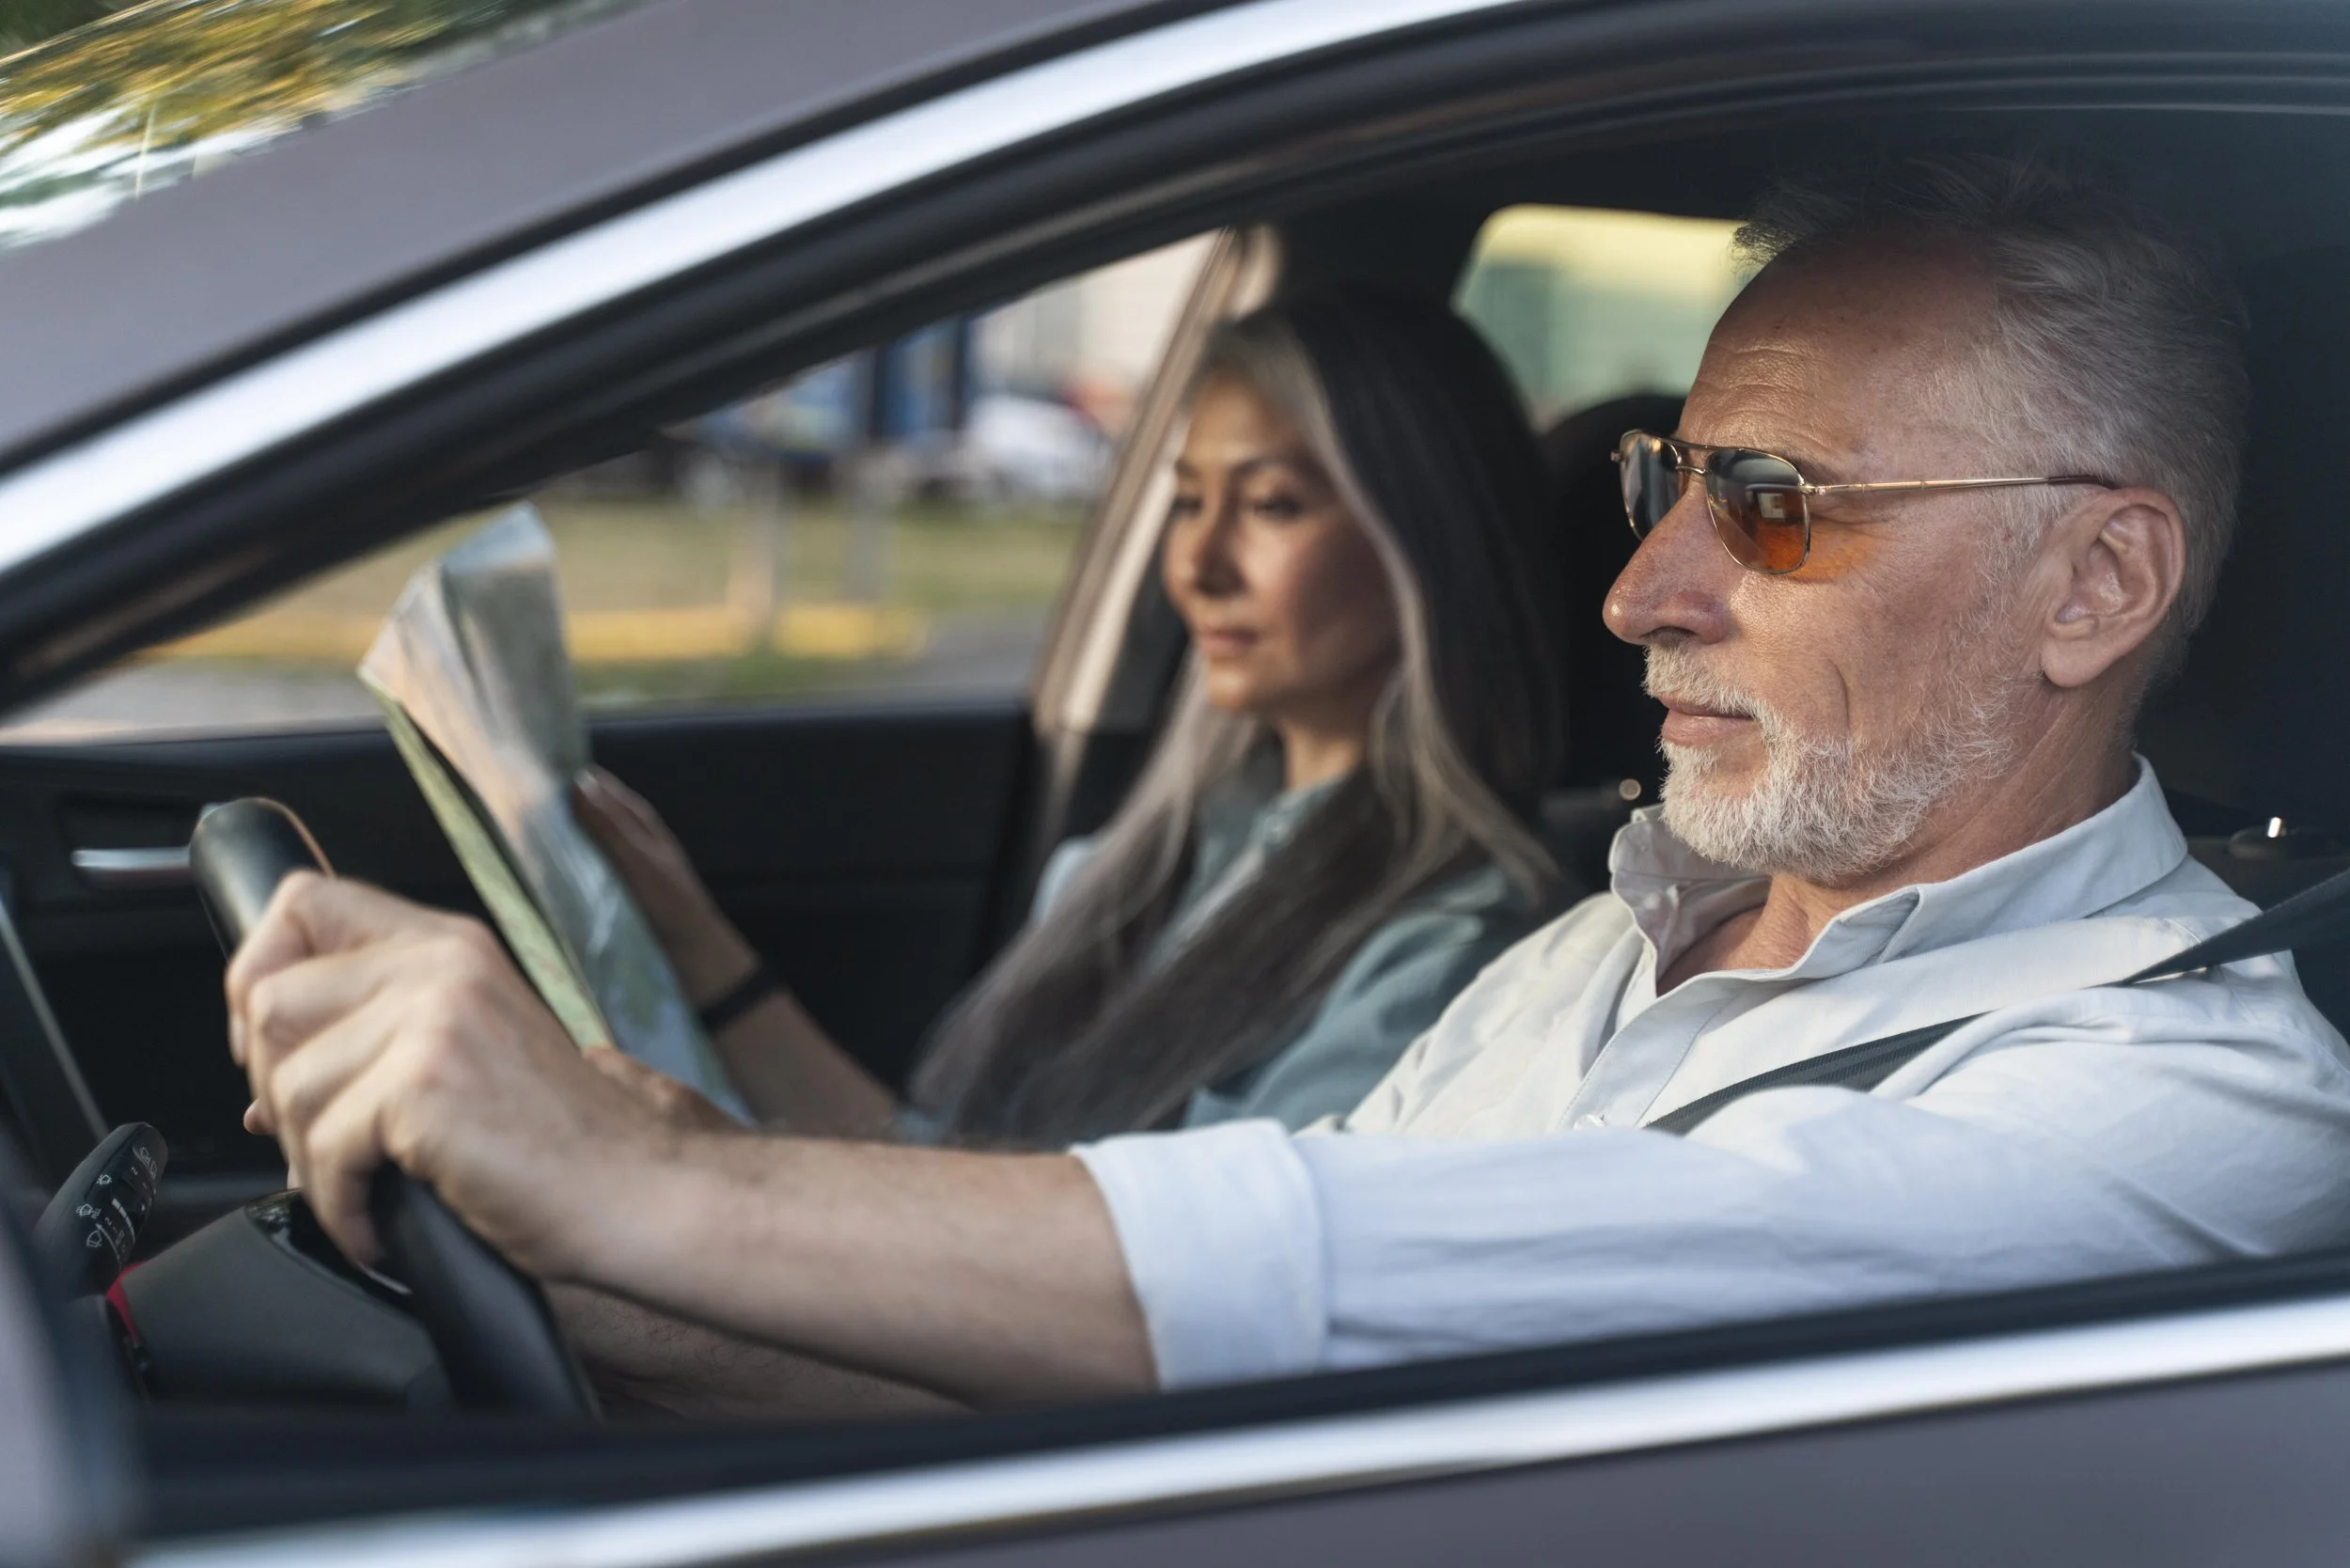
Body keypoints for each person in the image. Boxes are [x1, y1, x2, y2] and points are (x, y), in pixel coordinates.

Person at [226, 149, 2350, 1411]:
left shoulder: (2196, 1109)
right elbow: (1124, 1371)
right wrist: (582, 1282)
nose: (1636, 591)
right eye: (1664, 483)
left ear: (2096, 582)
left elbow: (1389, 1264)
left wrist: (655, 1180)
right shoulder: (1579, 957)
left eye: (1772, 504)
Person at [574, 288, 1565, 1147]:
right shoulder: (1140, 861)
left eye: (1269, 506)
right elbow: (950, 1180)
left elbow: (1186, 1286)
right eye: (1186, 502)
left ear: (1423, 544)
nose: (1198, 564)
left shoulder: (1450, 947)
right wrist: (694, 944)